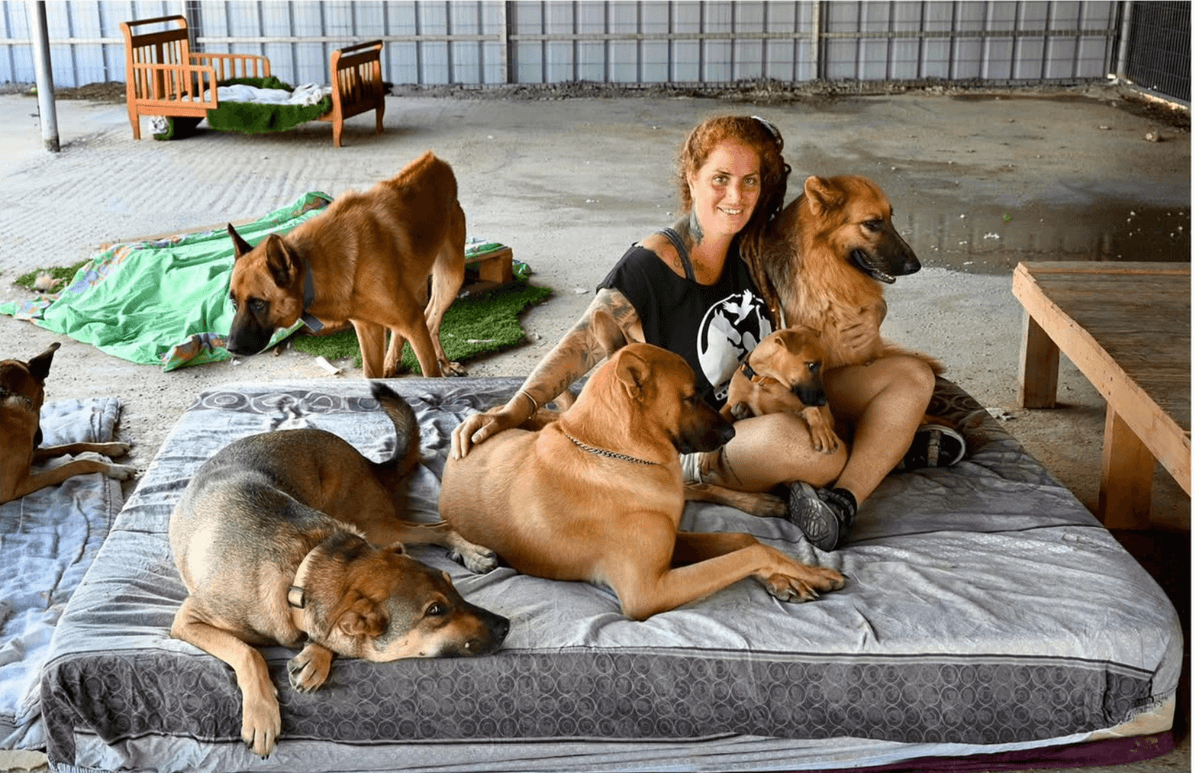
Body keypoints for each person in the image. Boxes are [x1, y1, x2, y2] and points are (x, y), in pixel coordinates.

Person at [451, 114, 941, 551]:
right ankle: (856, 457)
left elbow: (828, 293)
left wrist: (871, 320)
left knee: (911, 377)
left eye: (750, 182)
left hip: (775, 393)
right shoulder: (653, 264)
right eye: (721, 179)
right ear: (692, 177)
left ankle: (841, 502)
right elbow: (582, 342)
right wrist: (517, 407)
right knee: (801, 446)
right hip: (707, 434)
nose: (736, 196)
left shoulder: (756, 247)